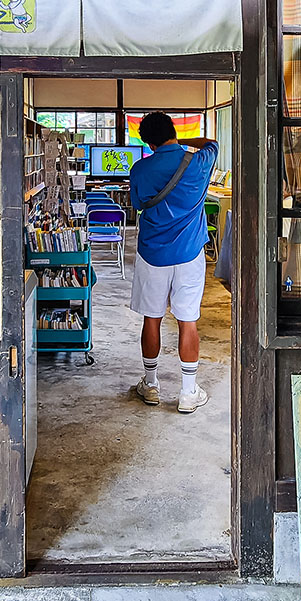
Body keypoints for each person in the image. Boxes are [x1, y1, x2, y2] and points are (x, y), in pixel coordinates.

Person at [128, 112, 218, 414]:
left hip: (152, 254)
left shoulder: (140, 169)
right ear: (173, 132)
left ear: (148, 142)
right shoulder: (200, 162)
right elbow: (211, 143)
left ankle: (151, 385)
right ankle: (188, 392)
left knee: (151, 318)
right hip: (190, 253)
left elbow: (139, 205)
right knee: (187, 320)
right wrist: (181, 142)